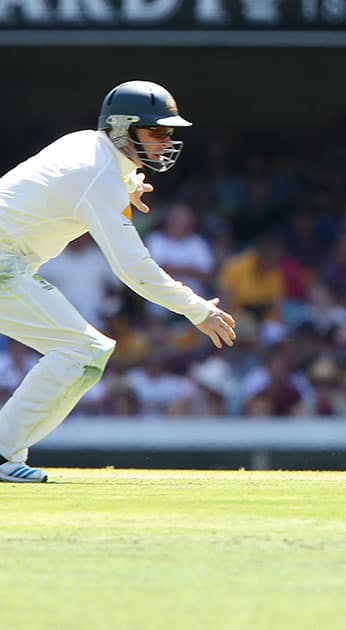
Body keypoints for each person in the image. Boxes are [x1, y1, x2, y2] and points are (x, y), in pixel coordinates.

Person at [0, 80, 236, 482]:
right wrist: (196, 310)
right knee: (83, 350)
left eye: (169, 132)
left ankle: (6, 453)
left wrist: (128, 186)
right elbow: (134, 270)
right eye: (157, 131)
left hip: (11, 261)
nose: (166, 140)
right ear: (123, 129)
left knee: (82, 349)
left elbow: (77, 180)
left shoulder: (86, 146)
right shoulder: (98, 177)